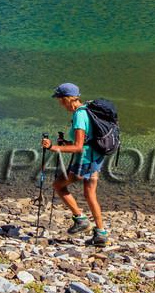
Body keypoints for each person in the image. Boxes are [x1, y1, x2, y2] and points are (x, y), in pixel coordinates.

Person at [41, 82, 108, 247]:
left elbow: (78, 148)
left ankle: (80, 219)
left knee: (58, 185)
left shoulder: (79, 115)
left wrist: (52, 147)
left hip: (85, 161)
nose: (59, 103)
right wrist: (66, 143)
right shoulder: (87, 110)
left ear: (66, 99)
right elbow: (85, 139)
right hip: (96, 157)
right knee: (90, 195)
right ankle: (101, 234)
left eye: (60, 100)